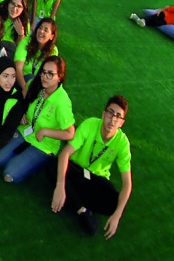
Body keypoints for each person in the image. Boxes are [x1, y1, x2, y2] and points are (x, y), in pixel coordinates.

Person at [49, 95, 133, 239]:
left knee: (116, 202)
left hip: (95, 179)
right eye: (110, 113)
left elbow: (127, 184)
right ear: (103, 113)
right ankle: (81, 209)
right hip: (76, 170)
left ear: (122, 123)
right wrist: (60, 185)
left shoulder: (123, 143)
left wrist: (117, 216)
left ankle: (73, 201)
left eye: (118, 116)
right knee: (52, 164)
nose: (112, 119)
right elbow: (65, 154)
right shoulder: (90, 124)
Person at [0, 55, 75, 184]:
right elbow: (21, 100)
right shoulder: (35, 85)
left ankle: (38, 162)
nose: (44, 77)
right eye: (43, 72)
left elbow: (70, 133)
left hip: (43, 145)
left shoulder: (62, 102)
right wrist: (20, 114)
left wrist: (46, 131)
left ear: (60, 77)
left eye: (50, 74)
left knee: (10, 174)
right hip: (25, 132)